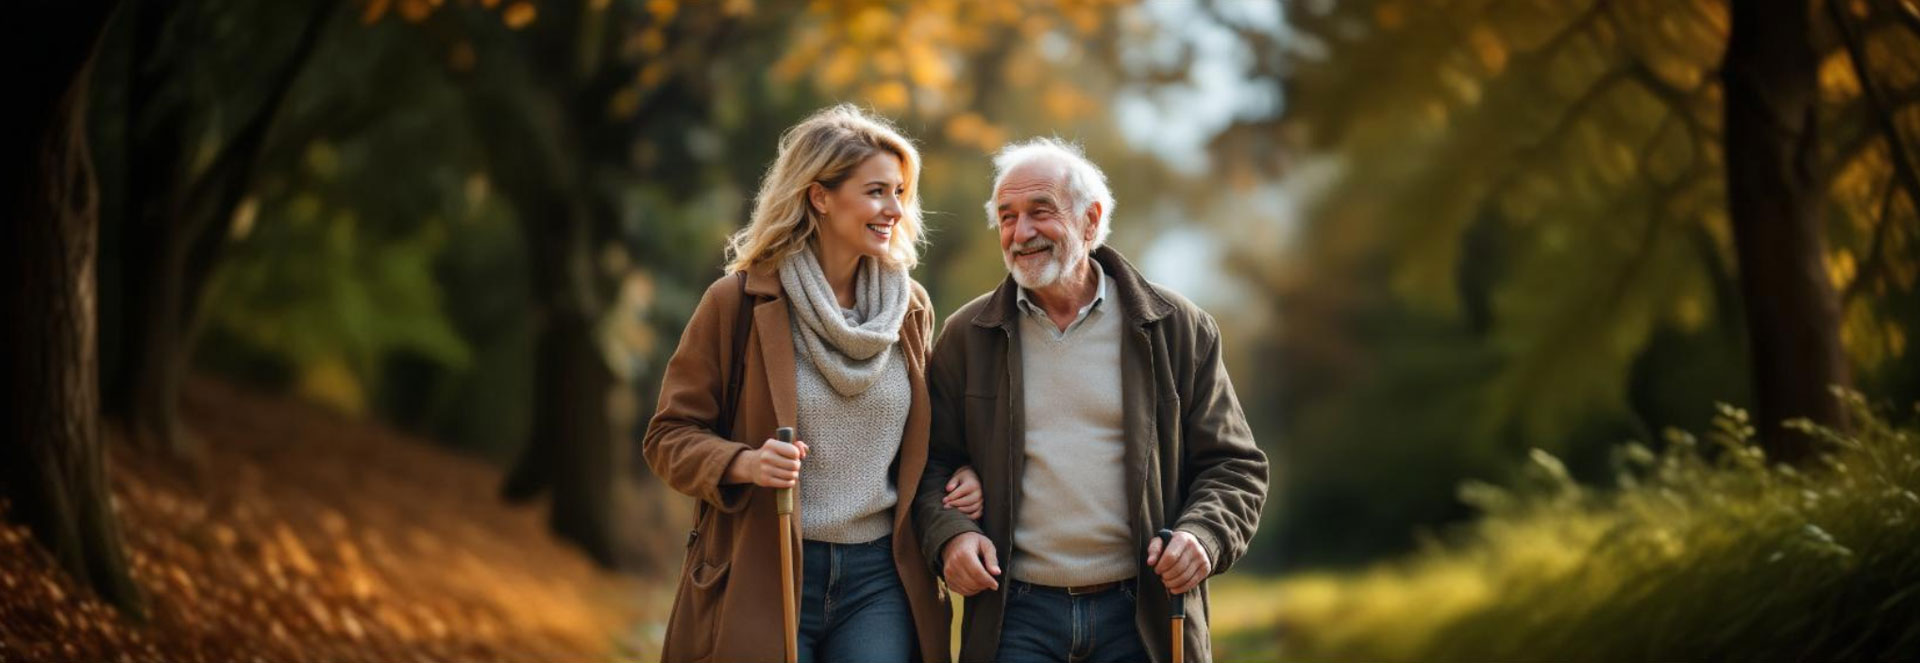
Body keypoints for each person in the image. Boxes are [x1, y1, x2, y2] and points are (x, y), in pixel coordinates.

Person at [913, 138, 1269, 663]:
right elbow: (927, 465)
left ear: (1090, 220)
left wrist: (1203, 535)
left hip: (1144, 612)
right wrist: (952, 537)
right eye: (1007, 217)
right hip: (1014, 615)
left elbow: (1235, 467)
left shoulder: (1177, 328)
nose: (1021, 232)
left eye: (1040, 211)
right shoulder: (968, 335)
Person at [644, 104, 973, 663]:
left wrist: (963, 474)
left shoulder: (910, 308)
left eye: (899, 192)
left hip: (879, 580)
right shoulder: (737, 303)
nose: (895, 209)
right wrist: (745, 463)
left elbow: (930, 441)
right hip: (765, 568)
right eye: (876, 192)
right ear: (820, 196)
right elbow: (667, 437)